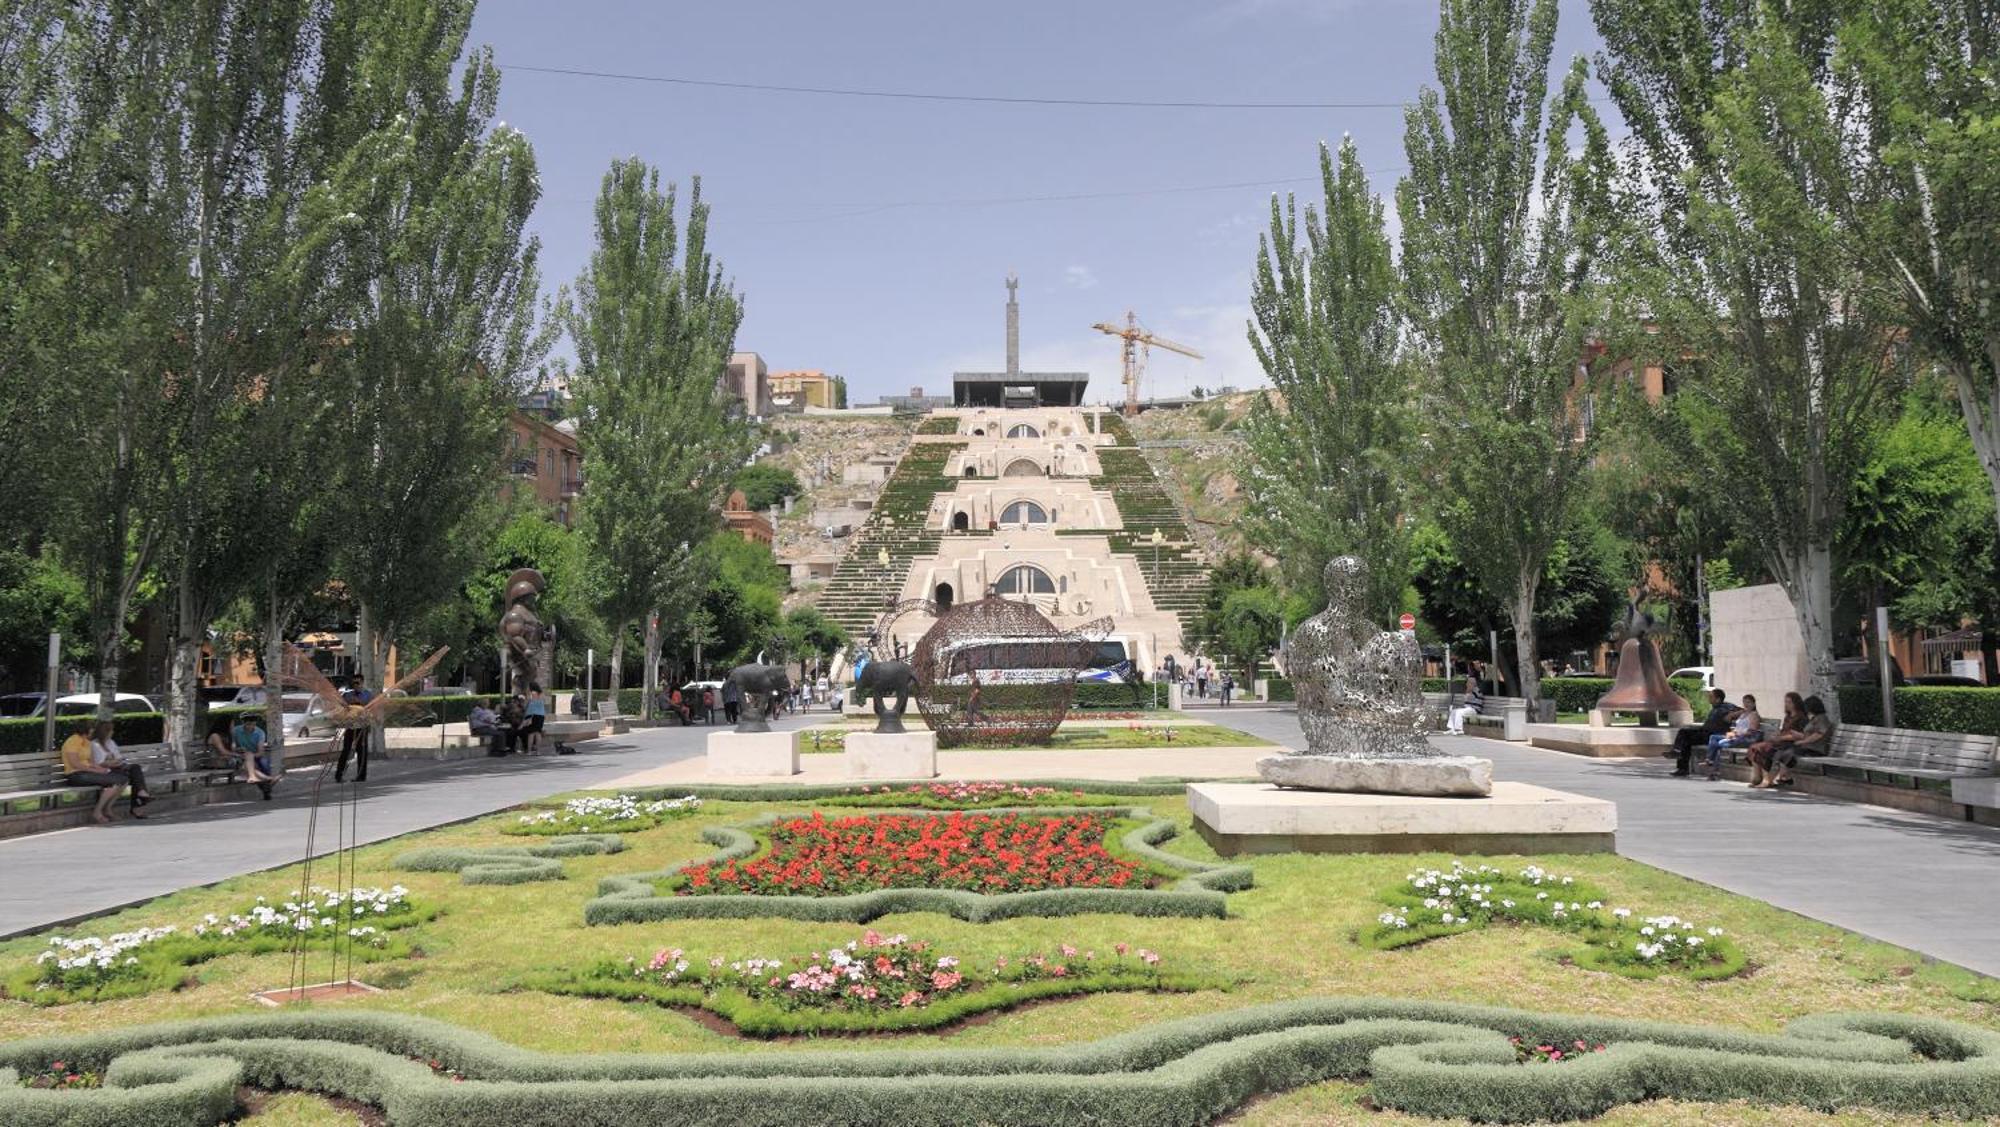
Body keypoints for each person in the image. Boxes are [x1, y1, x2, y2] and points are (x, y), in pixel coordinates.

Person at [63, 719, 148, 823]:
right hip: (75, 775)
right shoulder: (72, 741)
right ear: (86, 730)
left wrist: (100, 769)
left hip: (87, 772)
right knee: (114, 781)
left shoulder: (87, 742)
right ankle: (97, 812)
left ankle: (107, 809)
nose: (93, 731)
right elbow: (75, 764)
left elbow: (92, 761)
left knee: (123, 779)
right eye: (92, 729)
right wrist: (96, 771)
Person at [1764, 695, 1835, 789]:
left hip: (1815, 749)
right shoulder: (1815, 718)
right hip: (1808, 747)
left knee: (1790, 752)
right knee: (1783, 751)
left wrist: (1803, 741)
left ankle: (1784, 777)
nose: (1806, 709)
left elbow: (1819, 734)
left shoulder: (1822, 718)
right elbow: (1810, 734)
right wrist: (1799, 736)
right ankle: (1784, 777)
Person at [1670, 689, 1738, 777]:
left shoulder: (1726, 707)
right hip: (1704, 732)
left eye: (1711, 697)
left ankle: (1678, 754)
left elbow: (1744, 710)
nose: (1708, 698)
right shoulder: (1715, 707)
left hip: (1713, 735)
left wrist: (1732, 715)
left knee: (1684, 736)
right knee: (1685, 737)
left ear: (1718, 699)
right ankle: (1682, 767)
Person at [1746, 692, 1806, 788]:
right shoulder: (1788, 717)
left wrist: (1780, 738)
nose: (1787, 704)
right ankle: (1757, 777)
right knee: (1754, 748)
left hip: (1790, 744)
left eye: (1789, 702)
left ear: (1796, 703)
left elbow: (1797, 735)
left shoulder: (1801, 717)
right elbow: (1783, 731)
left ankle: (1767, 780)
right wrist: (1777, 735)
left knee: (1764, 750)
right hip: (1780, 742)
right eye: (1786, 702)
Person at [1704, 693, 1761, 780]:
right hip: (1736, 736)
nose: (1746, 704)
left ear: (1753, 704)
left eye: (1748, 702)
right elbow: (1737, 727)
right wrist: (1731, 733)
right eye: (1744, 702)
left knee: (1719, 745)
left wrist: (1736, 734)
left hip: (1745, 739)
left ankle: (1713, 769)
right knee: (1713, 737)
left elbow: (1751, 731)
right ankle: (1710, 761)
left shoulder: (1754, 715)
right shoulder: (1743, 714)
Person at [335, 675, 373, 783]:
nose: (355, 685)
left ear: (362, 683)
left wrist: (360, 704)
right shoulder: (347, 694)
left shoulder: (367, 695)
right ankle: (339, 775)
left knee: (362, 752)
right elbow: (341, 707)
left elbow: (371, 709)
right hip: (351, 727)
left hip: (362, 727)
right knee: (346, 750)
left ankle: (361, 776)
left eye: (358, 683)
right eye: (354, 683)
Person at [230, 713, 277, 799]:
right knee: (251, 767)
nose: (250, 727)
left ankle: (266, 786)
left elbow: (260, 752)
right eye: (248, 724)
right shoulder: (236, 731)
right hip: (240, 756)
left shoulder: (260, 733)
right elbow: (233, 746)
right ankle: (268, 782)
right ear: (243, 723)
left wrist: (251, 757)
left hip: (256, 755)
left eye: (253, 724)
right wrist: (238, 749)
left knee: (264, 764)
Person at [520, 683, 548, 754]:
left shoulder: (531, 694)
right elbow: (543, 704)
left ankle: (529, 751)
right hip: (541, 715)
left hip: (532, 715)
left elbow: (528, 704)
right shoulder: (542, 694)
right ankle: (538, 751)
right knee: (538, 733)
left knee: (531, 734)